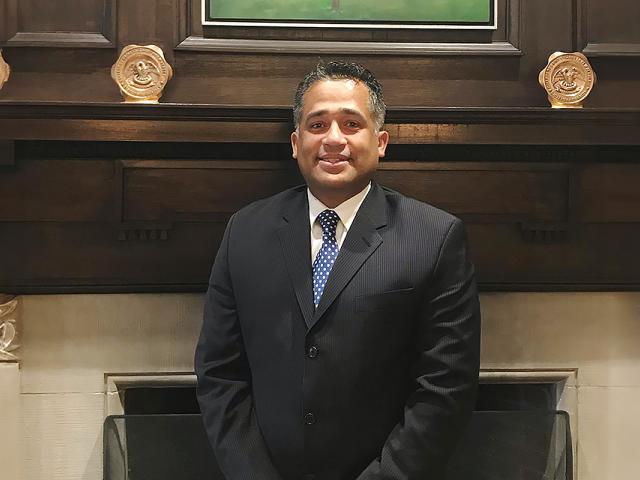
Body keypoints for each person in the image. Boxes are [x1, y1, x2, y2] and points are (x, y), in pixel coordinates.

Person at [195, 61, 481, 480]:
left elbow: (445, 389)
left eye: (351, 124)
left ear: (380, 141)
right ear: (296, 142)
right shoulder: (245, 231)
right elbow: (220, 373)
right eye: (317, 125)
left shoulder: (435, 237)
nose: (333, 139)